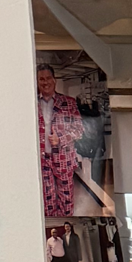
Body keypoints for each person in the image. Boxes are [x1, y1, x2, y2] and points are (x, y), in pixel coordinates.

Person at [36, 62, 84, 219]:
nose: (45, 82)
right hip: (42, 161)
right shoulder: (31, 104)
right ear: (37, 81)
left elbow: (79, 130)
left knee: (66, 200)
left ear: (54, 80)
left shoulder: (68, 102)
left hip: (64, 160)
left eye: (48, 78)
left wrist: (61, 139)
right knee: (47, 202)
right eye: (41, 79)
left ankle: (67, 225)